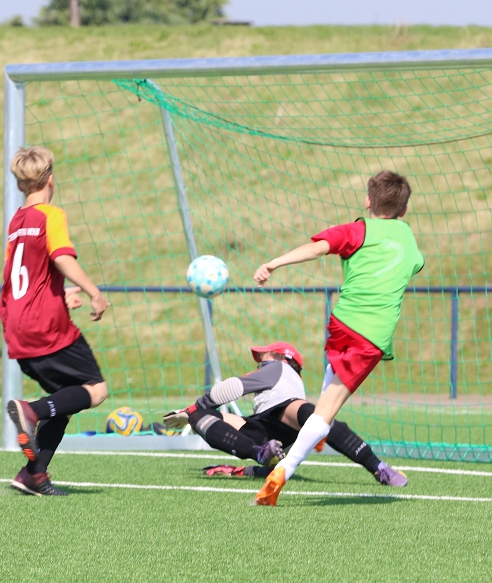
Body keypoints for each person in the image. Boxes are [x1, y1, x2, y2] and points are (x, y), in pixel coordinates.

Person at [253, 170, 423, 506]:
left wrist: (273, 264)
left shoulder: (357, 230)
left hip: (341, 322)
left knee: (326, 401)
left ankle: (316, 435)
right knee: (326, 412)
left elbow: (318, 249)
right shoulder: (409, 241)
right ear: (404, 211)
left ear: (367, 201)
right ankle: (284, 470)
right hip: (370, 336)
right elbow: (416, 264)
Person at [0, 146, 110, 497]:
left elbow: (20, 278)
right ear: (49, 178)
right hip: (45, 324)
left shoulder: (17, 221)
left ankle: (34, 474)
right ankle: (29, 412)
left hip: (16, 324)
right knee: (95, 390)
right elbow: (61, 257)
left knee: (64, 400)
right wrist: (94, 292)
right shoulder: (51, 214)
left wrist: (60, 295)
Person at [162, 342, 407, 486]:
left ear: (282, 357)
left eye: (263, 356)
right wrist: (192, 415)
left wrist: (197, 407)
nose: (259, 361)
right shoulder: (283, 374)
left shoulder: (279, 367)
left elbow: (234, 387)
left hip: (283, 412)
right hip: (268, 428)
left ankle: (377, 466)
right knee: (317, 416)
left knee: (314, 414)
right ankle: (261, 455)